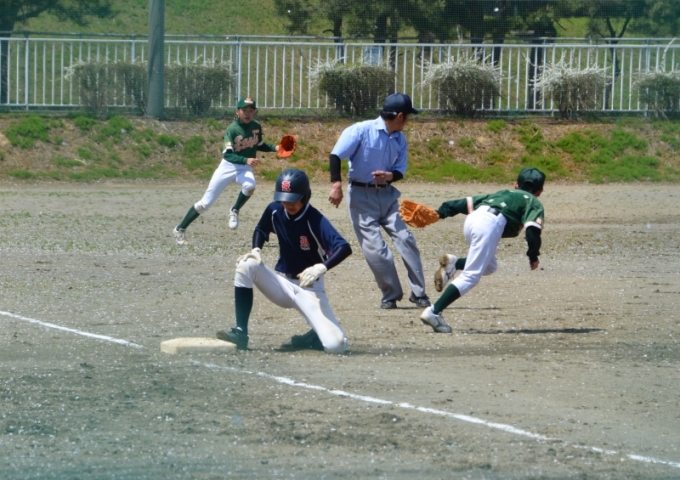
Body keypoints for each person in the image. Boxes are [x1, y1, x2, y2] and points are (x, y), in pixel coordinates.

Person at [216, 168, 352, 354]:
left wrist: (321, 267)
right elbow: (261, 229)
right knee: (247, 264)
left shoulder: (314, 219)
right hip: (281, 284)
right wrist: (256, 249)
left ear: (305, 197)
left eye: (294, 199)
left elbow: (344, 247)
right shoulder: (275, 210)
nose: (289, 204)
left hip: (309, 288)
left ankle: (313, 338)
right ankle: (241, 332)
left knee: (336, 346)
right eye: (284, 199)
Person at [327, 93, 430, 310]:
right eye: (408, 116)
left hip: (387, 196)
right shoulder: (360, 130)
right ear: (400, 116)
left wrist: (389, 176)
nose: (409, 120)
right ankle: (391, 294)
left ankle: (419, 293)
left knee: (405, 238)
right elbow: (336, 155)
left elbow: (400, 170)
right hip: (361, 197)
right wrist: (336, 185)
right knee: (376, 248)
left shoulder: (400, 139)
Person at [419, 167, 546, 333]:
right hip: (489, 225)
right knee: (471, 275)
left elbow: (463, 203)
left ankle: (454, 263)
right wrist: (533, 256)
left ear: (516, 184)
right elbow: (532, 231)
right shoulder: (533, 202)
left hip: (472, 221)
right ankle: (433, 312)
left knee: (490, 266)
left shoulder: (502, 193)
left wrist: (439, 213)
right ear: (540, 191)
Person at [173, 97, 279, 245]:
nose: (247, 113)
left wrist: (276, 148)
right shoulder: (232, 129)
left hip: (244, 168)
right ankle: (180, 229)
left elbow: (259, 144)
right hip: (228, 166)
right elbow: (227, 155)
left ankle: (234, 209)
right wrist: (246, 160)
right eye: (244, 110)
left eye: (251, 110)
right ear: (237, 112)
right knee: (205, 203)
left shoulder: (256, 126)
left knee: (250, 186)